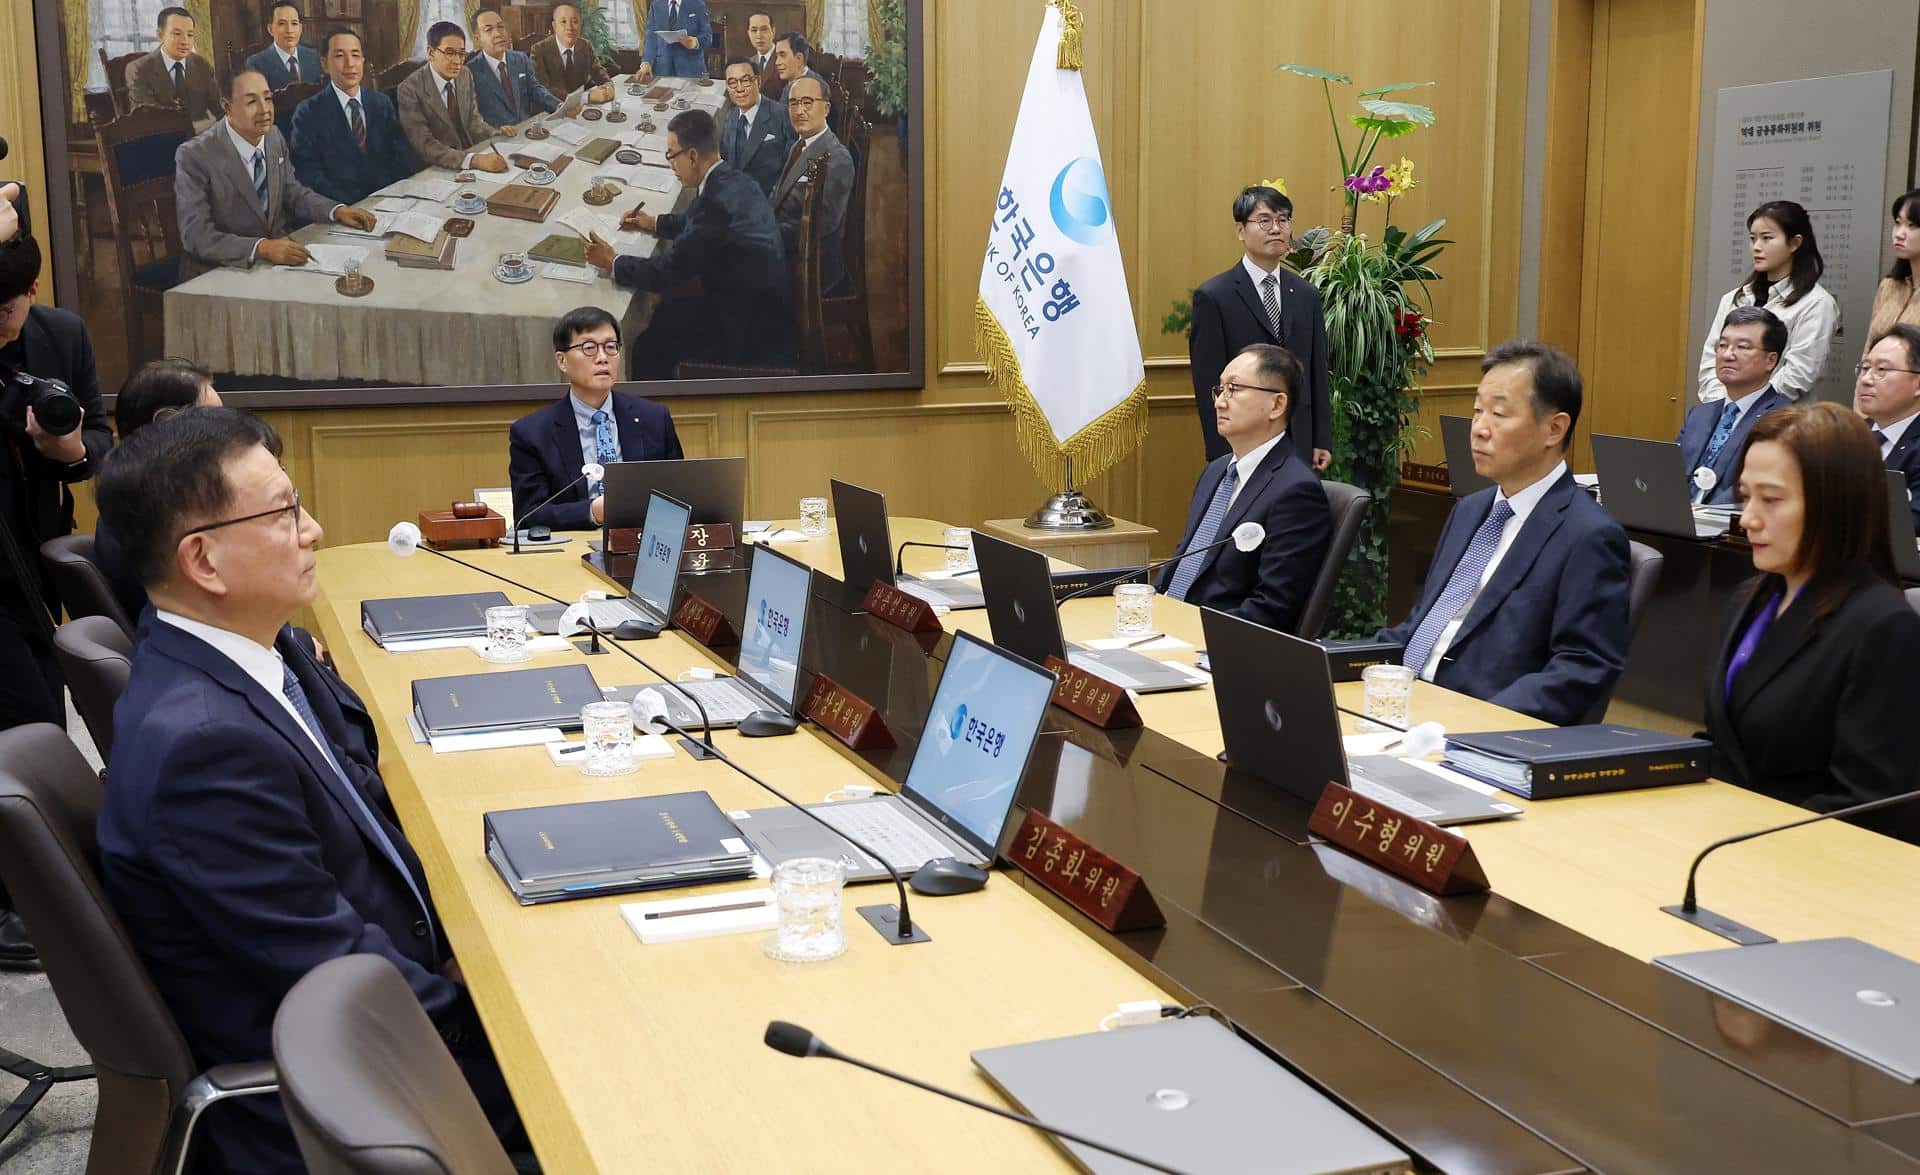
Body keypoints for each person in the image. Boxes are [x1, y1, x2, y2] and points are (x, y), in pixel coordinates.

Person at [93, 408, 526, 1173]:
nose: (314, 528)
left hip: (388, 995)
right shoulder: (203, 748)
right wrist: (519, 1025)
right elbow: (334, 970)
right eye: (286, 510)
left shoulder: (259, 649)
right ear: (205, 561)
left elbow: (363, 795)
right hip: (349, 1093)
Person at [1374, 340, 1630, 726]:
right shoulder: (1471, 509)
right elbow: (1421, 624)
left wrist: (1476, 721)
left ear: (1554, 429)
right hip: (1405, 705)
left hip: (1477, 727)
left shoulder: (1589, 535)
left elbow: (1581, 668)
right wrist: (1328, 659)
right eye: (1477, 411)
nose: (1478, 429)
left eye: (1498, 413)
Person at [1707, 401, 1920, 844]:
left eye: (1771, 499)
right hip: (1723, 841)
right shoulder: (1750, 598)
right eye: (1745, 496)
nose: (1747, 518)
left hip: (1809, 866)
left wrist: (1748, 840)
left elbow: (1871, 804)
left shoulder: (1883, 628)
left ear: (1835, 505)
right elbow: (1726, 742)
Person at [0, 232, 114, 968]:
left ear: (34, 294)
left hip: (36, 552)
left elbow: (100, 434)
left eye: (5, 309)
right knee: (30, 716)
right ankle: (18, 898)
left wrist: (69, 453)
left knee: (37, 707)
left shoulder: (61, 335)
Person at [584, 110, 787, 377]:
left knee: (645, 345)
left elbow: (666, 272)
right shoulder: (733, 180)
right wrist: (653, 222)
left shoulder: (712, 203)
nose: (670, 164)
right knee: (663, 313)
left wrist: (613, 262)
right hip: (760, 302)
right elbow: (700, 226)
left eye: (671, 154)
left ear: (692, 156)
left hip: (744, 327)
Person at [1159, 344, 1330, 633]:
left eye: (1234, 389)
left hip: (1215, 644)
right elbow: (1185, 563)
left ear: (1277, 405)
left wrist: (1187, 633)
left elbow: (1273, 607)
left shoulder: (1296, 491)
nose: (1219, 403)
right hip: (1165, 627)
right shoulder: (1216, 471)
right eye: (1220, 389)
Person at [175, 69, 377, 283]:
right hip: (219, 271)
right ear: (227, 107)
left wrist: (336, 210)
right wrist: (262, 248)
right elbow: (196, 236)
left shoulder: (273, 136)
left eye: (268, 98)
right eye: (251, 102)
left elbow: (292, 192)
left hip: (276, 262)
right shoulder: (194, 155)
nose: (265, 110)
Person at [1188, 185, 1332, 471]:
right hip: (1243, 441)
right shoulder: (1215, 296)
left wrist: (1321, 438)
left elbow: (1316, 370)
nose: (1276, 228)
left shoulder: (1306, 294)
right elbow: (1208, 383)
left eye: (1284, 220)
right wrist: (1221, 453)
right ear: (1241, 230)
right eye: (1265, 220)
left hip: (1298, 439)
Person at [508, 307, 683, 530]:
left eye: (611, 347)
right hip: (571, 550)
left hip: (642, 542)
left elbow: (679, 495)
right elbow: (528, 515)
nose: (602, 358)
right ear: (562, 361)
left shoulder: (654, 419)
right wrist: (593, 511)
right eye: (588, 348)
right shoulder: (532, 433)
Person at [95, 359, 222, 622]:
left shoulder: (134, 495)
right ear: (169, 424)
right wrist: (292, 641)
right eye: (216, 421)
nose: (228, 434)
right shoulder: (163, 515)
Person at [1696, 200, 1838, 403]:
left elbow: (1798, 375)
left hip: (1780, 423)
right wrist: (1723, 407)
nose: (1757, 247)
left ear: (1795, 243)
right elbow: (1711, 362)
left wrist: (1746, 410)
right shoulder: (1733, 298)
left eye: (1767, 238)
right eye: (1753, 238)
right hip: (1723, 417)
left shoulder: (1816, 303)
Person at [1676, 306, 1791, 506]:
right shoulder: (1698, 415)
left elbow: (1755, 489)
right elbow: (1669, 473)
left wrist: (1698, 514)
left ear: (1771, 360)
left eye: (1743, 347)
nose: (1728, 354)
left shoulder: (1783, 420)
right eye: (1723, 345)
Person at [290, 29, 416, 205]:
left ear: (363, 60)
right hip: (340, 210)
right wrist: (352, 205)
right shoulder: (307, 113)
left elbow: (401, 158)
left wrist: (386, 196)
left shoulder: (381, 103)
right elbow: (309, 175)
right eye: (340, 56)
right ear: (325, 64)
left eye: (356, 55)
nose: (350, 64)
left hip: (387, 201)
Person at [770, 74, 853, 294]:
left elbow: (820, 225)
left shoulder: (837, 159)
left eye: (807, 102)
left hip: (810, 265)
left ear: (826, 109)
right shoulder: (800, 144)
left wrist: (765, 235)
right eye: (793, 103)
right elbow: (779, 194)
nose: (799, 111)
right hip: (784, 244)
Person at [397, 22, 509, 173]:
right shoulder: (409, 89)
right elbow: (424, 144)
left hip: (470, 160)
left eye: (461, 53)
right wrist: (473, 160)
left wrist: (495, 133)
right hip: (435, 169)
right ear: (430, 52)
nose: (457, 61)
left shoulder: (465, 75)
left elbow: (473, 121)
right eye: (449, 53)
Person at [1854, 324, 1920, 533]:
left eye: (1882, 370)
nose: (1865, 380)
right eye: (1864, 368)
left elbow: (1913, 526)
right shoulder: (1851, 435)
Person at [126, 6, 222, 124]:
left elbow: (219, 110)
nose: (185, 41)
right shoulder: (138, 69)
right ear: (160, 35)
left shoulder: (202, 65)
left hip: (202, 137)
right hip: (161, 138)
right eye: (177, 34)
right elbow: (147, 120)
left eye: (190, 35)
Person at [467, 7, 557, 129]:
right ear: (477, 38)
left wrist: (559, 105)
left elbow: (535, 89)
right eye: (488, 29)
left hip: (526, 129)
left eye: (500, 27)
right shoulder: (469, 71)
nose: (498, 34)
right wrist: (495, 131)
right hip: (496, 138)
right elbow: (472, 118)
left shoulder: (520, 58)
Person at [719, 55, 794, 198]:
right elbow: (726, 160)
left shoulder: (783, 116)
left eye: (746, 81)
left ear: (758, 82)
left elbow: (792, 168)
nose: (739, 89)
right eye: (732, 83)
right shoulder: (731, 116)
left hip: (767, 201)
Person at [532, 1, 615, 103]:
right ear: (554, 26)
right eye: (563, 22)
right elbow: (543, 90)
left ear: (581, 25)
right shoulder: (539, 50)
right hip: (551, 110)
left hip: (580, 111)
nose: (569, 28)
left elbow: (600, 74)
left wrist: (608, 87)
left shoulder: (585, 46)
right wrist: (586, 97)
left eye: (575, 22)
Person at [1867, 189, 1920, 346]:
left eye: (1911, 225)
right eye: (1898, 223)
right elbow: (1869, 349)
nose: (1899, 234)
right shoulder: (1889, 286)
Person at [244, 2, 323, 89]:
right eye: (282, 24)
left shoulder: (314, 56)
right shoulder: (256, 63)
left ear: (300, 28)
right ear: (270, 29)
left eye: (294, 23)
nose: (289, 30)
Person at [636, 0, 713, 82]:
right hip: (662, 70)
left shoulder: (697, 4)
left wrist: (695, 42)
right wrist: (646, 62)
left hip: (691, 70)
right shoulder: (656, 4)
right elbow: (651, 38)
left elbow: (708, 37)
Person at [770, 31, 827, 101]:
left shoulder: (817, 87)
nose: (777, 62)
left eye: (782, 55)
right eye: (777, 56)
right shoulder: (785, 85)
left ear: (799, 58)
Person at [746, 11, 778, 81]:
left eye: (764, 29)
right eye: (754, 30)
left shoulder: (785, 59)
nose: (759, 36)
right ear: (748, 34)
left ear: (773, 31)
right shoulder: (748, 63)